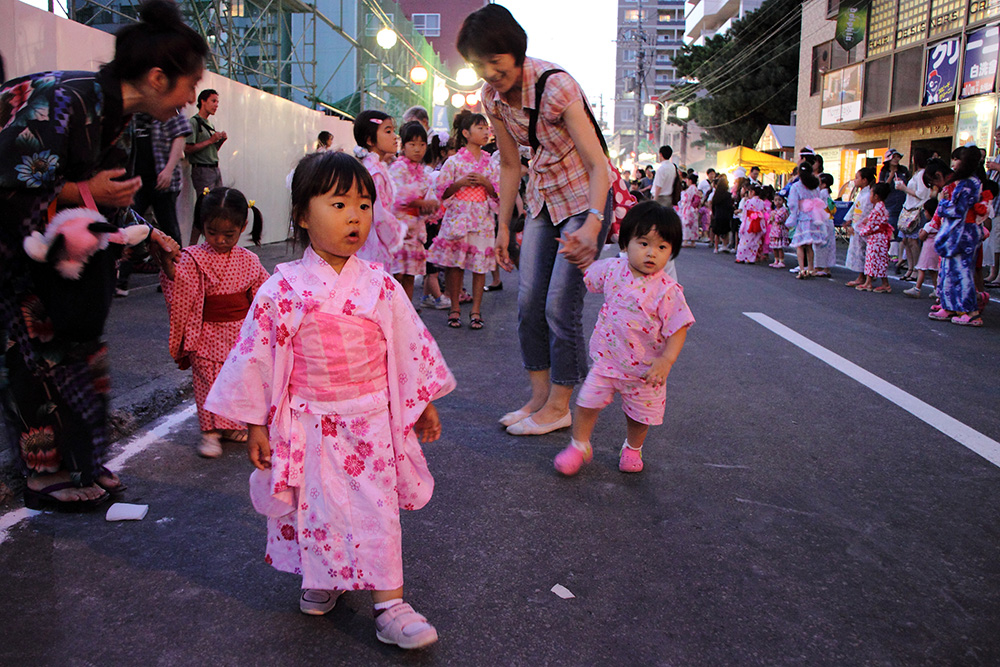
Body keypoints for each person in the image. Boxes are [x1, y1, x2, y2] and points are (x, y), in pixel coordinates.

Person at [204, 151, 455, 649]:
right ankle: (324, 577)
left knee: (376, 509)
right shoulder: (282, 290)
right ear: (301, 215)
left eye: (363, 205)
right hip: (308, 422)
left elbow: (408, 347)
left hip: (370, 421)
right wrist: (256, 424)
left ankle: (390, 603)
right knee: (314, 508)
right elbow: (256, 358)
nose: (354, 217)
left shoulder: (380, 285)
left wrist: (421, 400)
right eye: (338, 204)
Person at [0, 0, 197, 511]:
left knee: (75, 348)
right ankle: (44, 475)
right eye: (190, 84)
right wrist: (84, 191)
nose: (191, 99)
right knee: (36, 354)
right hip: (15, 252)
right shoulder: (66, 101)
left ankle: (78, 460)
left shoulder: (112, 114)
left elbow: (106, 197)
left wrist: (148, 234)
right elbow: (13, 186)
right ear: (158, 77)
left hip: (47, 252)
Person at [459, 4, 613, 435]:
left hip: (586, 199)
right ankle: (541, 398)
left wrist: (595, 224)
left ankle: (562, 404)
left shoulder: (556, 86)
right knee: (528, 303)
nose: (490, 72)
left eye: (496, 60)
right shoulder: (491, 98)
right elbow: (509, 164)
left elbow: (598, 164)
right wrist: (503, 227)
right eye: (478, 64)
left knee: (560, 304)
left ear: (515, 50)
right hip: (543, 200)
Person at [552, 201, 693, 476]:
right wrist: (578, 258)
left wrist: (666, 360)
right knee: (586, 402)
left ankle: (632, 448)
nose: (652, 253)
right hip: (607, 361)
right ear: (625, 243)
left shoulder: (668, 291)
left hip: (645, 371)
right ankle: (579, 446)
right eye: (643, 243)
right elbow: (590, 275)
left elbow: (678, 328)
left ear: (671, 253)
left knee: (640, 416)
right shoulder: (612, 269)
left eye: (662, 247)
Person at [160, 186, 267, 458]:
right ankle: (209, 432)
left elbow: (265, 294)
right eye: (212, 232)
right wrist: (166, 262)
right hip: (205, 331)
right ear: (202, 226)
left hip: (239, 333)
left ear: (243, 227)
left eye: (228, 234)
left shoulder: (250, 260)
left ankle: (230, 426)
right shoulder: (192, 257)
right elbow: (180, 286)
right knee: (207, 381)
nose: (219, 240)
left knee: (237, 380)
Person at [427, 111, 499, 330]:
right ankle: (455, 307)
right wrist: (459, 183)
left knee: (479, 266)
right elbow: (441, 192)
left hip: (482, 218)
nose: (486, 131)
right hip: (458, 216)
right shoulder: (453, 161)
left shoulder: (491, 164)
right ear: (466, 133)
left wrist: (486, 182)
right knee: (454, 265)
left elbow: (498, 193)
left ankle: (476, 310)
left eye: (486, 128)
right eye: (480, 128)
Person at [926, 150, 987, 326]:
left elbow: (956, 210)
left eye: (956, 161)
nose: (953, 166)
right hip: (960, 232)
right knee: (949, 270)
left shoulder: (968, 183)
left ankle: (971, 312)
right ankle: (950, 305)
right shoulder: (968, 182)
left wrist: (943, 203)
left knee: (961, 272)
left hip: (963, 232)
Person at [352, 110, 406, 269]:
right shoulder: (374, 172)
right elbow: (380, 215)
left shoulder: (372, 167)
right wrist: (397, 234)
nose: (394, 136)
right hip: (373, 240)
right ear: (370, 140)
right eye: (388, 131)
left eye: (393, 131)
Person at [185, 88, 227, 244]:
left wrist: (219, 141)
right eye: (213, 101)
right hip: (202, 169)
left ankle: (211, 242)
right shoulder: (194, 122)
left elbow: (211, 150)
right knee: (204, 208)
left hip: (214, 168)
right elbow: (188, 148)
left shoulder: (209, 123)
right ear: (202, 101)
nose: (216, 105)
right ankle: (193, 245)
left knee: (217, 208)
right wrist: (210, 140)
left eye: (217, 102)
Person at [894, 148, 933, 281]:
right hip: (910, 209)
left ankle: (915, 268)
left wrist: (904, 188)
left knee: (913, 241)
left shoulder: (922, 174)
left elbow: (922, 194)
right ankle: (911, 268)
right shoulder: (918, 174)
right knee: (907, 241)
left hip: (916, 210)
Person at [785, 161, 828, 279]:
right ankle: (811, 268)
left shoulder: (796, 186)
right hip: (814, 216)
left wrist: (792, 217)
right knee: (809, 246)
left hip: (803, 216)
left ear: (799, 172)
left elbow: (792, 204)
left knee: (800, 245)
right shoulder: (815, 185)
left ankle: (802, 269)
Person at [855, 182, 894, 293]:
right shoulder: (880, 207)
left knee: (873, 259)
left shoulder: (878, 209)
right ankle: (876, 282)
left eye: (871, 194)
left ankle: (872, 282)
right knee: (877, 260)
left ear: (876, 196)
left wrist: (862, 231)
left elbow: (872, 225)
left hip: (876, 237)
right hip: (879, 237)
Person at [904, 197, 941, 298]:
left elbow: (922, 236)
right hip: (936, 249)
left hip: (927, 250)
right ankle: (937, 289)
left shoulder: (929, 225)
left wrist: (921, 233)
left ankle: (917, 288)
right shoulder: (939, 224)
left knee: (922, 269)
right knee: (933, 270)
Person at [845, 167, 876, 286]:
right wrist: (848, 219)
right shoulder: (862, 194)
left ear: (864, 180)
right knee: (858, 251)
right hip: (857, 225)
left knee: (861, 252)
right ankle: (863, 276)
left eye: (857, 177)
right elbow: (855, 208)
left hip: (861, 227)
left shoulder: (868, 195)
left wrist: (856, 226)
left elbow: (865, 213)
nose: (855, 180)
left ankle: (862, 276)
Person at [812, 172, 837, 278]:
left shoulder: (821, 193)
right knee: (829, 245)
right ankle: (826, 267)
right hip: (829, 221)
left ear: (824, 184)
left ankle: (818, 267)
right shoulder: (827, 193)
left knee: (819, 245)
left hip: (822, 221)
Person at [735, 185, 768, 264]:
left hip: (749, 222)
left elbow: (745, 214)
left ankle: (741, 257)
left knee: (745, 240)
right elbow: (763, 213)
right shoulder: (762, 202)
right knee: (755, 241)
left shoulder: (748, 202)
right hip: (759, 222)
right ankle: (751, 258)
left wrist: (743, 224)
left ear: (752, 192)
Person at [710, 174, 733, 254]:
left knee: (717, 232)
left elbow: (713, 205)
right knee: (725, 231)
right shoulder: (728, 195)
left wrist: (714, 213)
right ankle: (725, 245)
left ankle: (716, 247)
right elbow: (730, 206)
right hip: (726, 215)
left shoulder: (716, 194)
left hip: (718, 214)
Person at [678, 172, 701, 247]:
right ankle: (693, 241)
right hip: (693, 208)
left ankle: (685, 240)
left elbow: (685, 199)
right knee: (693, 224)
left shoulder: (690, 189)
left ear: (690, 180)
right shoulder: (695, 188)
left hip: (688, 207)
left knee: (686, 224)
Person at [769, 193, 789, 268]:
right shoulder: (774, 211)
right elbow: (770, 220)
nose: (778, 202)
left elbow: (780, 219)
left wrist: (775, 216)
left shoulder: (784, 210)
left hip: (780, 230)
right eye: (776, 200)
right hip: (774, 230)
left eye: (779, 200)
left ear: (783, 201)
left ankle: (781, 260)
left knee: (779, 247)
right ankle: (776, 260)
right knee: (774, 246)